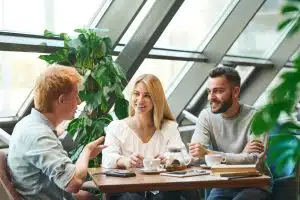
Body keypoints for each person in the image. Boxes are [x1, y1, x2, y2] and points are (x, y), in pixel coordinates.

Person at [8, 65, 107, 200]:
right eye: (76, 96)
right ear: (61, 100)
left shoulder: (27, 124)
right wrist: (87, 150)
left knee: (89, 197)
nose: (79, 102)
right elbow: (73, 183)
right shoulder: (39, 135)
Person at [102, 74, 198, 200]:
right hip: (128, 189)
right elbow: (107, 158)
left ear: (156, 99)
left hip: (161, 188)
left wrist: (168, 159)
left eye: (147, 95)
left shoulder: (168, 127)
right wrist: (126, 161)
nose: (140, 100)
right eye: (136, 93)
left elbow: (183, 156)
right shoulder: (117, 127)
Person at [189, 67, 271, 200]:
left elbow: (254, 160)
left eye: (218, 91)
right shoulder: (206, 116)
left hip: (255, 184)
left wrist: (210, 154)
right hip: (223, 184)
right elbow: (196, 157)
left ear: (235, 91)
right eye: (209, 92)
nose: (211, 97)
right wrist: (241, 156)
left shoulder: (257, 117)